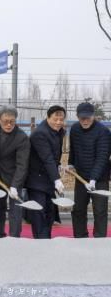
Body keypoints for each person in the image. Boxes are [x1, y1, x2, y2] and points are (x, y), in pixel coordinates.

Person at [68, 102, 110, 238]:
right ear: (77, 117)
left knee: (100, 210)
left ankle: (99, 239)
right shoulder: (74, 129)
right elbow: (73, 149)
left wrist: (93, 179)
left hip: (100, 178)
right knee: (78, 209)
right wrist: (71, 164)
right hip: (81, 177)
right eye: (82, 118)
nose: (85, 121)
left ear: (93, 116)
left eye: (88, 118)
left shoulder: (103, 132)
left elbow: (102, 157)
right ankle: (80, 237)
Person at [25, 105, 66, 239]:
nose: (58, 122)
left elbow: (54, 155)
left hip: (48, 178)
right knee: (39, 212)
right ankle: (40, 242)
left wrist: (59, 166)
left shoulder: (59, 132)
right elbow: (47, 157)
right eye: (55, 119)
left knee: (50, 212)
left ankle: (46, 239)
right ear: (48, 117)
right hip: (36, 179)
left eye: (61, 119)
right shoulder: (40, 134)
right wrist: (57, 179)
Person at [0, 106, 30, 238]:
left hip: (15, 177)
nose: (8, 124)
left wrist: (15, 186)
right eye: (5, 121)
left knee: (15, 209)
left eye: (12, 121)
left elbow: (22, 165)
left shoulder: (22, 137)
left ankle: (14, 237)